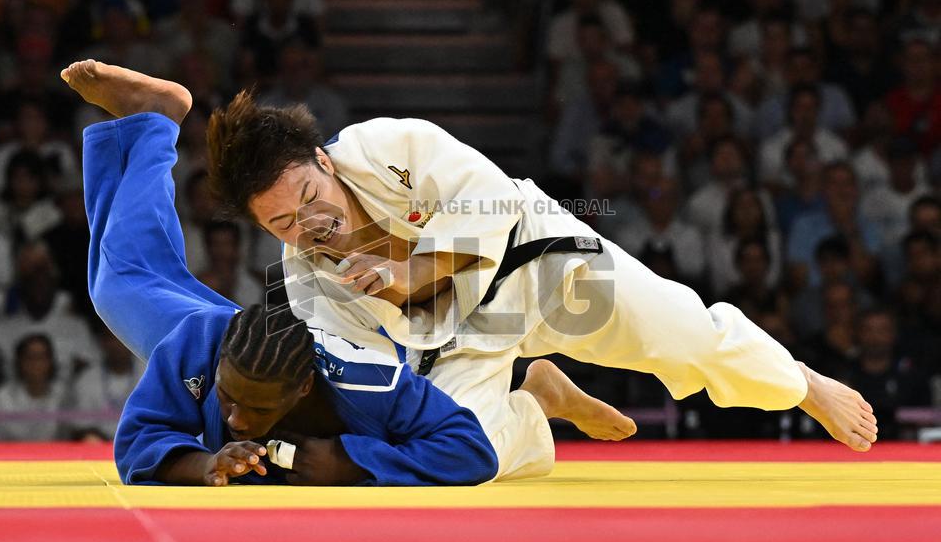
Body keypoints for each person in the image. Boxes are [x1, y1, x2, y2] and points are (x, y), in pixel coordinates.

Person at [62, 60, 629, 486]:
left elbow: (464, 450)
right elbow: (140, 441)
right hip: (271, 337)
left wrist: (353, 462)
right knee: (122, 286)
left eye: (248, 408)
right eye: (229, 400)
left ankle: (534, 400)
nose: (235, 421)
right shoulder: (201, 347)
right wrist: (202, 463)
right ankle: (151, 123)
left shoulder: (364, 383)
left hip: (377, 347)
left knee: (121, 285)